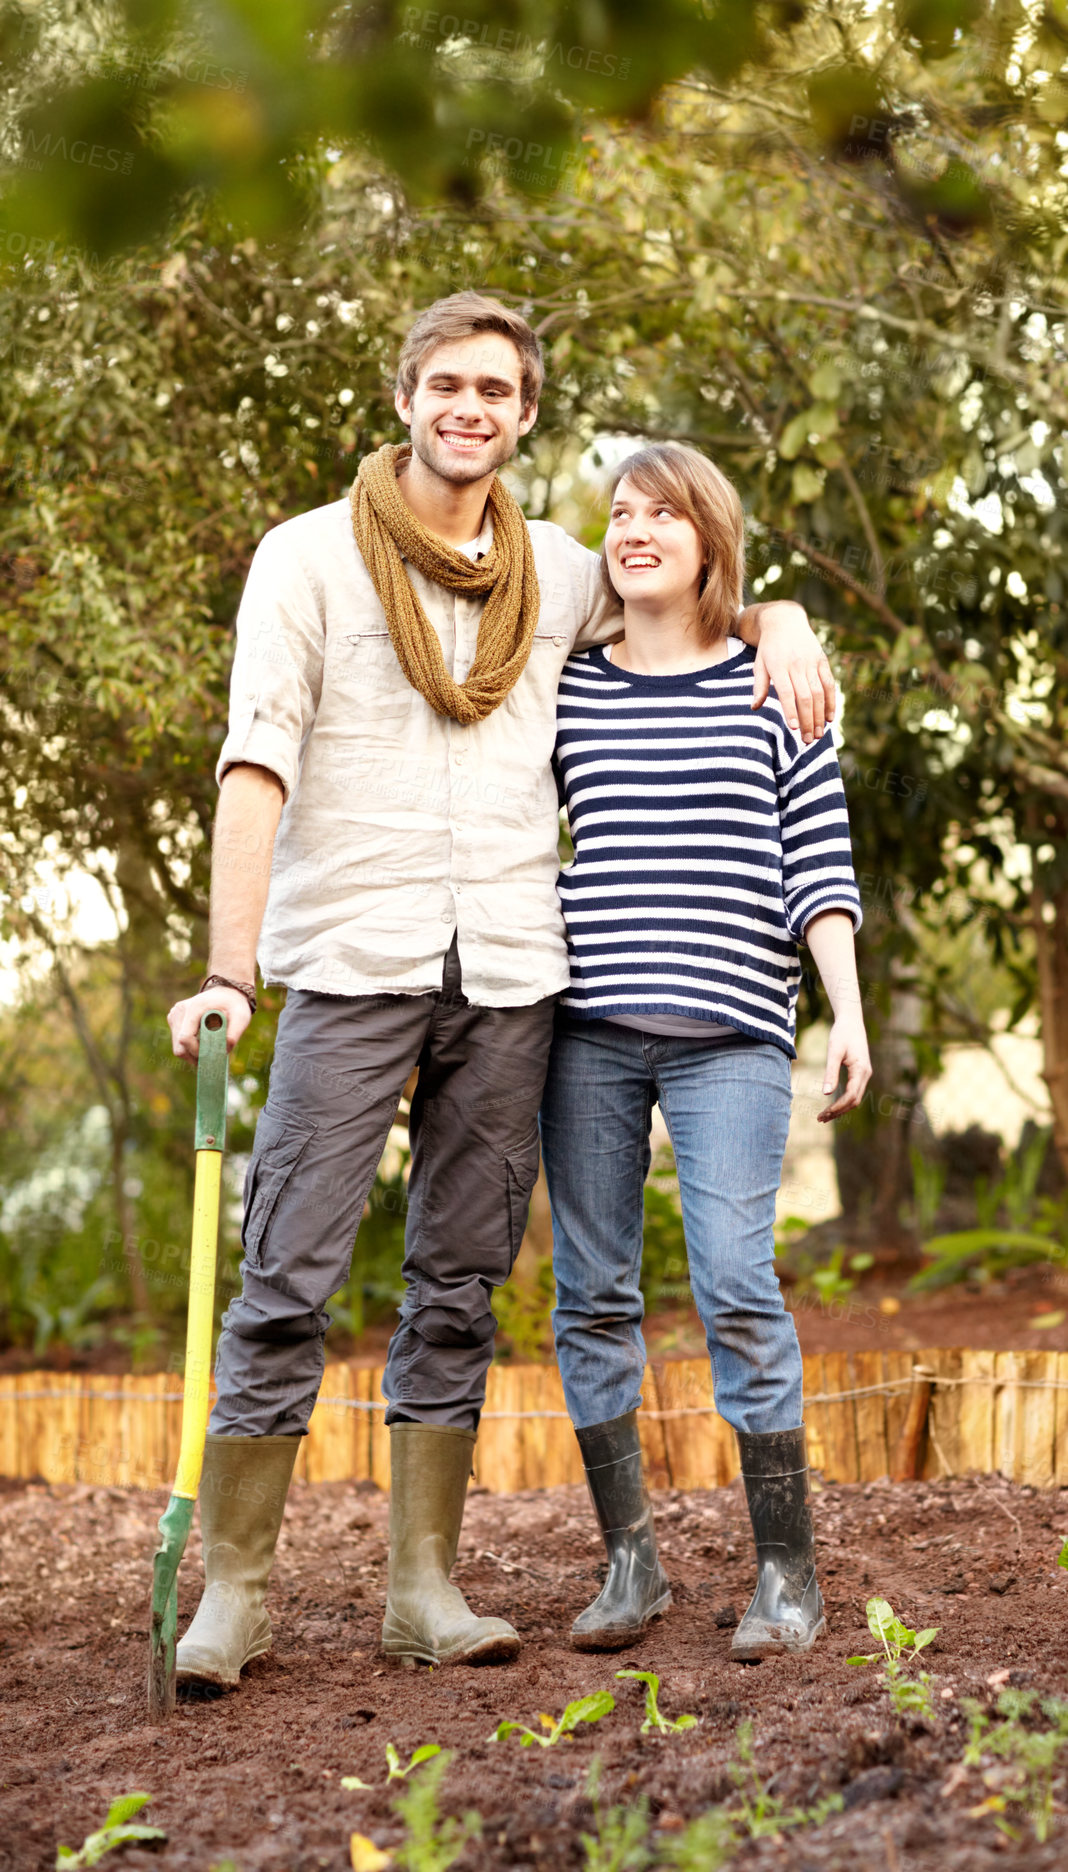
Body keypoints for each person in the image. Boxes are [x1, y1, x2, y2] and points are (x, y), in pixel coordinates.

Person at [165, 293, 838, 1683]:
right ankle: (232, 1595)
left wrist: (784, 616)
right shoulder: (305, 563)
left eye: (498, 389)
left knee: (459, 1285)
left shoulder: (562, 568)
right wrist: (229, 971)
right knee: (286, 1272)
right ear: (406, 395)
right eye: (447, 384)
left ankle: (423, 1589)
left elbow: (684, 583)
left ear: (526, 413)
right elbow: (253, 766)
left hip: (517, 979)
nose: (470, 407)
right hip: (351, 964)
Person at [539, 442, 871, 1658]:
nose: (635, 531)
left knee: (735, 1278)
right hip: (588, 1037)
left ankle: (789, 1574)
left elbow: (820, 864)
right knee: (593, 1295)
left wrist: (846, 1008)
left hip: (734, 1034)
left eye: (663, 515)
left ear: (707, 539)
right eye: (620, 514)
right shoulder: (568, 688)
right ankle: (632, 1563)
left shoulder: (774, 683)